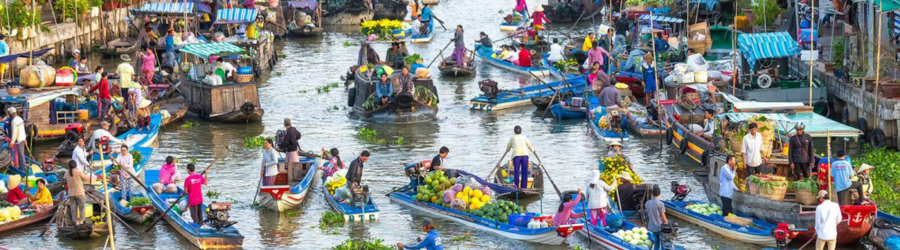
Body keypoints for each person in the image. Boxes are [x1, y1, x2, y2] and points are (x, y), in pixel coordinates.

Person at [66, 160, 92, 225]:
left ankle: (75, 222)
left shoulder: (66, 173)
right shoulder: (78, 172)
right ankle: (82, 221)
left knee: (73, 209)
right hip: (79, 193)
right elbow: (88, 179)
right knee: (82, 208)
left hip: (71, 194)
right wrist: (85, 174)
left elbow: (65, 178)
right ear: (75, 165)